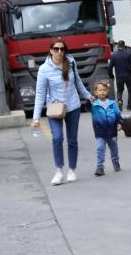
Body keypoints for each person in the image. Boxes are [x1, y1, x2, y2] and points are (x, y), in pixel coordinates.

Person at [31, 38, 95, 185]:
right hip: (55, 108)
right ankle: (59, 170)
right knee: (57, 138)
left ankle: (72, 169)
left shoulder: (71, 63)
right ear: (50, 50)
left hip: (73, 106)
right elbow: (40, 94)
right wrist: (35, 118)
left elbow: (77, 82)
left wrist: (87, 95)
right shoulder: (44, 69)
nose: (59, 52)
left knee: (72, 140)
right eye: (56, 49)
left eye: (62, 49)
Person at [90, 79, 123, 176]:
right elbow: (87, 107)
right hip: (100, 132)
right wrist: (89, 100)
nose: (102, 92)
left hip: (112, 131)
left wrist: (119, 123)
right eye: (100, 90)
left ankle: (116, 163)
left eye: (104, 90)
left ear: (107, 91)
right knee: (100, 148)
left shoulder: (112, 104)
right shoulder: (94, 105)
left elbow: (118, 115)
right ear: (96, 92)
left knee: (114, 149)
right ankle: (100, 167)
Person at [108, 41, 131, 111]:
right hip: (128, 75)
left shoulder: (114, 55)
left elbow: (110, 67)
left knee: (119, 90)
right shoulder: (129, 53)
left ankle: (119, 101)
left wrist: (111, 75)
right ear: (124, 46)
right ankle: (129, 107)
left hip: (119, 76)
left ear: (117, 46)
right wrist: (130, 69)